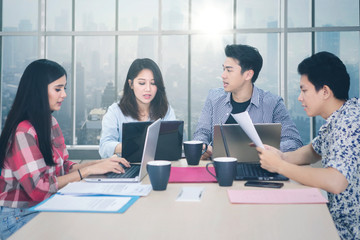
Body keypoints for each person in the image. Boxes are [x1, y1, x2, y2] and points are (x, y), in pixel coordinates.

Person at [0, 59, 130, 239]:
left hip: (44, 205)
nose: (64, 95)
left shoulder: (50, 122)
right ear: (39, 91)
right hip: (17, 217)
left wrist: (103, 163)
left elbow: (64, 167)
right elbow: (39, 189)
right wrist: (90, 170)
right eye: (58, 89)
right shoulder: (23, 132)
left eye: (64, 88)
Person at [256, 52, 359, 240]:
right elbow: (313, 151)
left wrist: (280, 166)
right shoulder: (341, 116)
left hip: (346, 231)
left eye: (304, 91)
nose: (299, 98)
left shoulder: (348, 124)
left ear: (325, 92)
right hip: (333, 219)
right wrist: (282, 156)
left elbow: (336, 181)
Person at [193, 44, 303, 159]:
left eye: (229, 70)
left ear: (248, 74)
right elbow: (202, 131)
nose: (223, 75)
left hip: (260, 167)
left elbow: (294, 142)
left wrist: (266, 149)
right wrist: (202, 146)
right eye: (223, 69)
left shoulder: (273, 104)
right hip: (218, 166)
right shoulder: (214, 97)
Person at [99, 58, 176, 158]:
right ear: (131, 84)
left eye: (153, 83)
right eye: (142, 83)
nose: (148, 89)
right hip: (124, 168)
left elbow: (171, 144)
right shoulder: (115, 111)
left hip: (156, 166)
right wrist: (135, 146)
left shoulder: (166, 110)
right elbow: (104, 147)